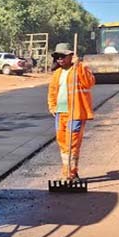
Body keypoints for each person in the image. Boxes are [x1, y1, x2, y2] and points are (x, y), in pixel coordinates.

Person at [46, 42, 96, 180]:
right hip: (60, 113)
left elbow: (89, 82)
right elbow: (52, 91)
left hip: (76, 112)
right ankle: (68, 171)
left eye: (62, 56)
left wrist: (79, 65)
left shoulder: (79, 69)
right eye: (57, 57)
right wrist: (52, 106)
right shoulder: (57, 73)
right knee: (62, 142)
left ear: (70, 56)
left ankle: (70, 173)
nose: (60, 59)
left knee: (72, 143)